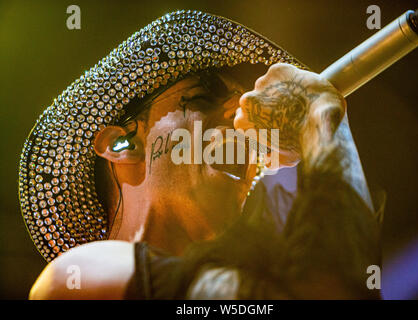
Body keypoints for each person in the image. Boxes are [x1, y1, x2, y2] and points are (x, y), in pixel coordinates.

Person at [20, 10, 383, 299]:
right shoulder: (82, 276)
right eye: (206, 94)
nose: (239, 113)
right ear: (123, 144)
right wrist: (319, 117)